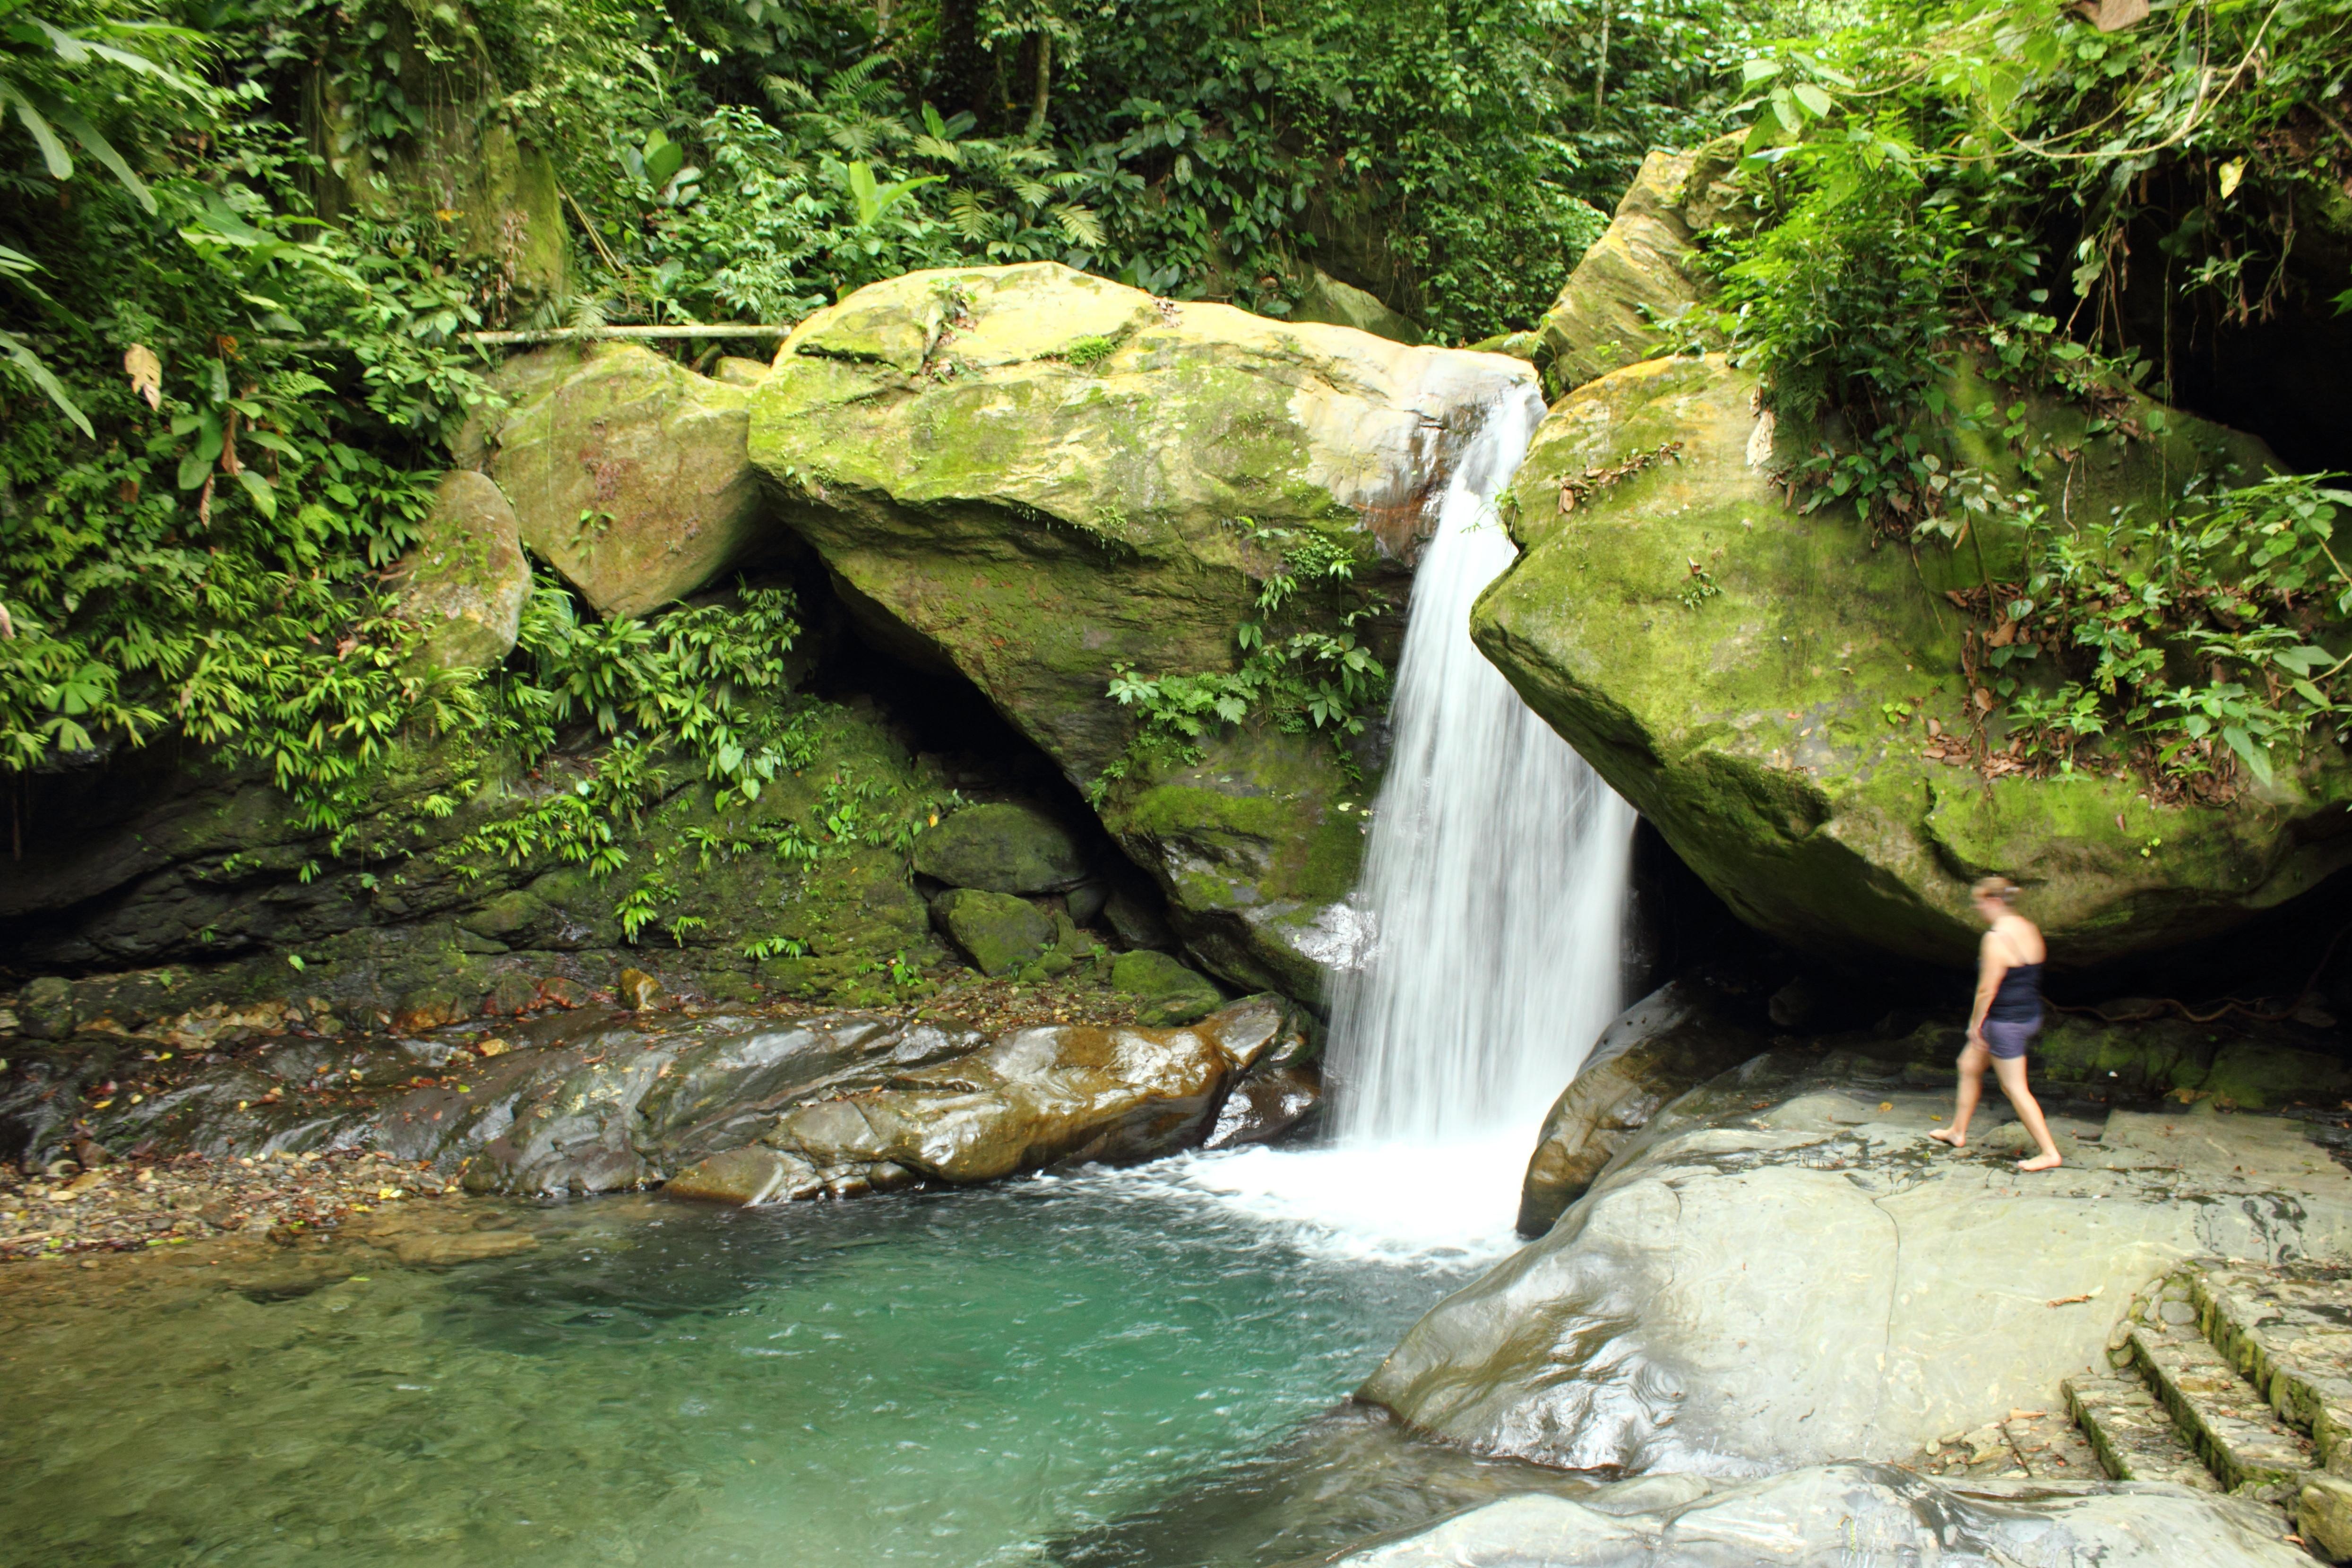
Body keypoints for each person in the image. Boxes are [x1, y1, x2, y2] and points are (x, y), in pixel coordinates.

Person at [1927, 876, 2062, 1172]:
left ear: (1994, 901)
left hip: (2004, 1023)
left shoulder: (1996, 938)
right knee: (1969, 1065)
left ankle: (2050, 1152)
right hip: (2028, 1015)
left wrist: (1976, 1025)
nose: (1978, 909)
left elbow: (1987, 989)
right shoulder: (2030, 928)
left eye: (1979, 903)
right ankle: (1957, 1132)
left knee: (2014, 1088)